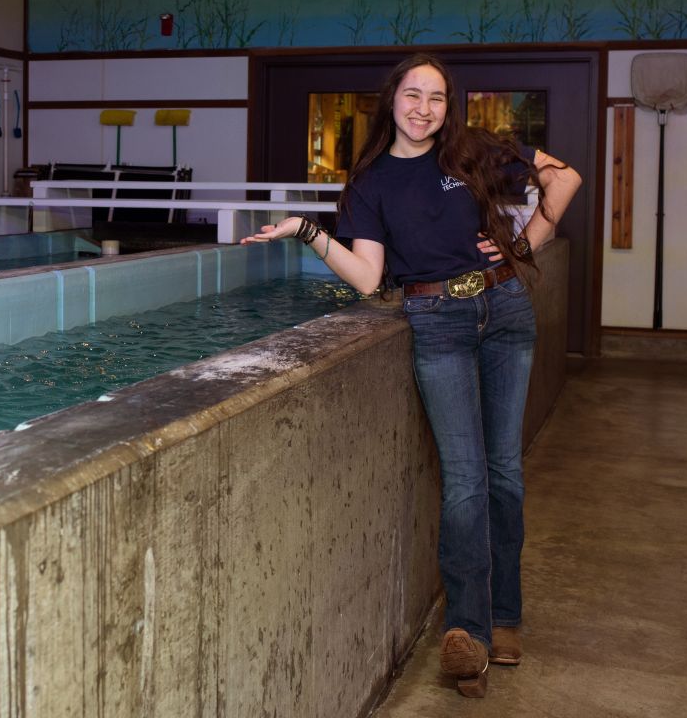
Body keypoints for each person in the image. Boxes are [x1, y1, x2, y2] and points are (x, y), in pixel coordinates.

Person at [241, 53, 581, 698]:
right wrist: (309, 230)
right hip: (438, 322)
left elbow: (564, 180)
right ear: (390, 99)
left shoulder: (472, 152)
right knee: (465, 480)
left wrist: (524, 244)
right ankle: (469, 631)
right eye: (413, 95)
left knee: (504, 471)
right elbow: (370, 278)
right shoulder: (368, 181)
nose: (424, 108)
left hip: (505, 310)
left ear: (448, 106)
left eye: (437, 97)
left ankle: (506, 614)